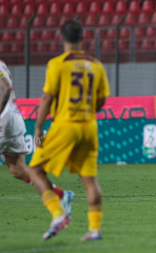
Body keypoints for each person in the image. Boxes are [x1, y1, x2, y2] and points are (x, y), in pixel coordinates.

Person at [27, 20, 110, 241]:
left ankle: (58, 213)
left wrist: (38, 127)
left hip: (65, 125)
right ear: (82, 38)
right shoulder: (96, 64)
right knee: (90, 181)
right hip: (89, 127)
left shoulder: (57, 64)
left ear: (61, 38)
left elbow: (47, 97)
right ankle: (94, 229)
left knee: (34, 170)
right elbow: (102, 99)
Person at [0, 59, 74, 213]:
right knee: (18, 171)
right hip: (11, 120)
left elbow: (5, 88)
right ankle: (60, 195)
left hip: (3, 122)